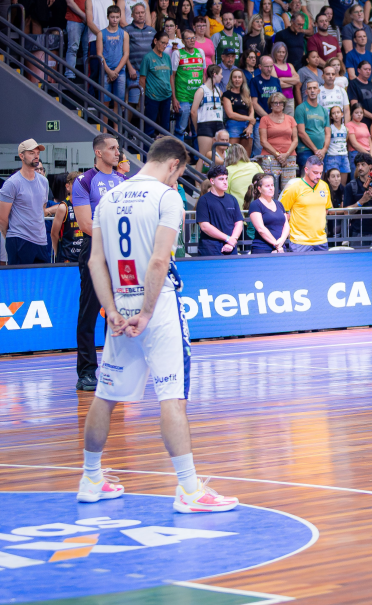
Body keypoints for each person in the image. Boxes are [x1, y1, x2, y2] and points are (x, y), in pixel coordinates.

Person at [78, 135, 240, 513]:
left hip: (120, 306)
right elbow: (158, 261)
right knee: (172, 397)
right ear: (174, 165)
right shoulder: (167, 197)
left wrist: (111, 310)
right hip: (157, 306)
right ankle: (188, 489)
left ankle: (90, 478)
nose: (176, 180)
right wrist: (148, 312)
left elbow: (95, 261)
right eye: (178, 174)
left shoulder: (109, 197)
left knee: (106, 395)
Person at [72, 133, 125, 391]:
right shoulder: (84, 181)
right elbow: (85, 224)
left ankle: (113, 368)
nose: (117, 152)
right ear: (98, 152)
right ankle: (86, 372)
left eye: (118, 148)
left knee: (116, 312)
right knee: (90, 312)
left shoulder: (122, 180)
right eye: (112, 148)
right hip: (95, 249)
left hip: (119, 250)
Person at [0, 139, 52, 265]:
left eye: (37, 153)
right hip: (19, 239)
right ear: (21, 156)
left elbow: (41, 209)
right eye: (31, 153)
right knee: (20, 277)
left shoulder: (44, 181)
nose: (36, 156)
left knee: (41, 277)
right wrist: (12, 236)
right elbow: (1, 218)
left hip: (41, 240)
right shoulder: (12, 183)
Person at [280, 154, 330, 251]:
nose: (318, 176)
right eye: (315, 172)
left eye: (320, 173)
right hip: (299, 242)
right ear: (306, 170)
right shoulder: (293, 188)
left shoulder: (324, 186)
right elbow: (283, 212)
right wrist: (288, 232)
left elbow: (326, 209)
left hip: (321, 240)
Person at [195, 165, 244, 256]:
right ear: (212, 181)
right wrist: (228, 239)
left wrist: (232, 240)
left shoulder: (232, 199)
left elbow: (239, 222)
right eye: (221, 179)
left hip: (230, 247)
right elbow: (204, 226)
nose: (225, 182)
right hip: (210, 248)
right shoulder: (204, 200)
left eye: (226, 179)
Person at [247, 173, 289, 253]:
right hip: (262, 248)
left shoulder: (279, 204)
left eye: (272, 185)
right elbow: (260, 229)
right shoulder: (256, 204)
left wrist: (281, 242)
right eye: (267, 186)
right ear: (259, 189)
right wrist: (276, 244)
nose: (271, 188)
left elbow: (286, 225)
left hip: (280, 247)